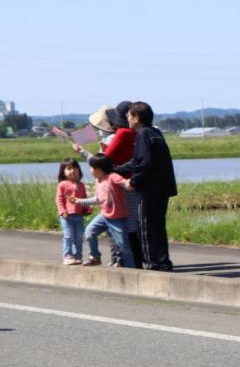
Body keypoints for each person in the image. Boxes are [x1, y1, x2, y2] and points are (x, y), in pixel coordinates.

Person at [73, 103, 140, 266]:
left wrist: (83, 152)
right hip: (113, 206)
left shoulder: (119, 137)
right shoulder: (133, 135)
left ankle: (124, 263)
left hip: (118, 206)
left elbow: (104, 163)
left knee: (122, 237)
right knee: (128, 231)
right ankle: (124, 262)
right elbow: (99, 197)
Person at [114, 102, 177, 271]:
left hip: (149, 190)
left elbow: (144, 163)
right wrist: (116, 169)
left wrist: (133, 182)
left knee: (146, 229)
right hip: (162, 189)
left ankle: (152, 264)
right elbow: (138, 161)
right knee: (158, 227)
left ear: (136, 117)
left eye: (129, 115)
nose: (127, 118)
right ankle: (163, 262)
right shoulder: (155, 132)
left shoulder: (142, 134)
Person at [74, 154, 134, 268]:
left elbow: (124, 183)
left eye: (92, 167)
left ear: (99, 168)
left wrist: (130, 183)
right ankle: (95, 256)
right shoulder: (98, 180)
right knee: (90, 232)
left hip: (118, 218)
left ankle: (131, 268)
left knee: (123, 245)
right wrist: (80, 201)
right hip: (104, 216)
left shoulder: (112, 176)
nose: (90, 170)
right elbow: (98, 199)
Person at [55, 159, 91, 265]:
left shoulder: (81, 185)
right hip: (67, 216)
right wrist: (62, 211)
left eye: (75, 168)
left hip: (79, 215)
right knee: (68, 236)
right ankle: (68, 255)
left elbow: (84, 198)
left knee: (79, 236)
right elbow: (59, 199)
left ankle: (78, 255)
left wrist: (87, 208)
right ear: (63, 172)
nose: (72, 171)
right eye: (69, 169)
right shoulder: (62, 184)